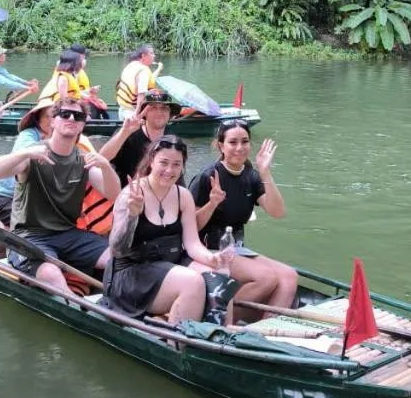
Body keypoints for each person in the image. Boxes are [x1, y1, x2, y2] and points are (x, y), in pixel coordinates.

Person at [0, 96, 120, 294]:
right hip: (29, 237)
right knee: (51, 273)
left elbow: (113, 194)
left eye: (78, 116)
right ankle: (76, 310)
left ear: (82, 125)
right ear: (53, 121)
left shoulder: (82, 160)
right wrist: (23, 155)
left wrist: (106, 166)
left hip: (68, 234)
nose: (71, 118)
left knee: (119, 258)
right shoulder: (34, 155)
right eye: (65, 114)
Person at [104, 136, 220, 323]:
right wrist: (132, 215)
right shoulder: (131, 195)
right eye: (163, 163)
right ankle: (177, 343)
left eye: (176, 164)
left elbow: (192, 244)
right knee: (192, 281)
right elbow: (117, 250)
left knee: (220, 274)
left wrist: (213, 258)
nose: (169, 170)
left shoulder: (183, 196)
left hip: (169, 265)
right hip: (132, 274)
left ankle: (216, 334)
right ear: (151, 161)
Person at [188, 122, 297, 320]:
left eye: (244, 141)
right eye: (232, 142)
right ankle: (216, 315)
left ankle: (265, 333)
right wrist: (212, 204)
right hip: (207, 249)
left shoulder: (251, 176)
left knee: (289, 276)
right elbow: (190, 226)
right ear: (220, 145)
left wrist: (265, 172)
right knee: (265, 278)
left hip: (237, 248)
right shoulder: (207, 177)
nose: (240, 148)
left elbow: (277, 211)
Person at [100, 90, 180, 186]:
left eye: (164, 108)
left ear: (170, 113)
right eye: (153, 108)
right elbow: (101, 158)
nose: (159, 112)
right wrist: (125, 132)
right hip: (126, 195)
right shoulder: (129, 134)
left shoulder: (172, 140)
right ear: (144, 112)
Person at [116, 43, 161, 114]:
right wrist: (136, 114)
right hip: (132, 112)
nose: (154, 55)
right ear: (143, 56)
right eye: (151, 53)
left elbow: (149, 80)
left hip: (122, 109)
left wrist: (159, 69)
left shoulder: (131, 65)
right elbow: (141, 95)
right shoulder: (143, 70)